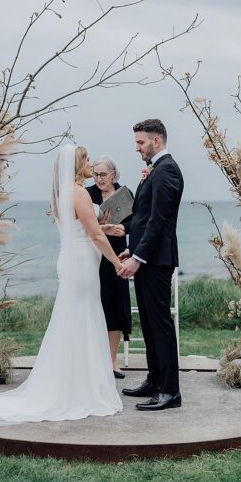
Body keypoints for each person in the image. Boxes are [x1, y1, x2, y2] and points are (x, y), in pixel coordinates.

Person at [0, 144, 125, 429]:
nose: (90, 163)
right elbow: (92, 234)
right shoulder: (80, 192)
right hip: (82, 264)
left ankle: (74, 383)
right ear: (76, 165)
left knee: (75, 319)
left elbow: (82, 228)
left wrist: (105, 228)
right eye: (86, 159)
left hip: (72, 260)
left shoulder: (62, 193)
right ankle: (80, 388)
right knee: (82, 318)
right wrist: (117, 263)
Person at [118, 119, 184, 411]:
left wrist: (138, 258)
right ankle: (155, 380)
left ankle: (170, 392)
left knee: (160, 326)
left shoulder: (167, 170)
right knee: (148, 324)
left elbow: (159, 221)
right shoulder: (155, 170)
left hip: (157, 261)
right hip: (147, 258)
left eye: (140, 142)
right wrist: (129, 246)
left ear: (157, 141)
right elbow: (143, 218)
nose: (137, 148)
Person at [87, 155, 134, 376]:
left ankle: (112, 361)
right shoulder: (88, 194)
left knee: (115, 306)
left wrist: (123, 228)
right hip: (93, 254)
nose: (98, 179)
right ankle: (92, 360)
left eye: (103, 174)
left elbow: (137, 220)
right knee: (93, 305)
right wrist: (101, 225)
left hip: (117, 255)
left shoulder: (124, 193)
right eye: (95, 174)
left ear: (113, 174)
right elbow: (82, 224)